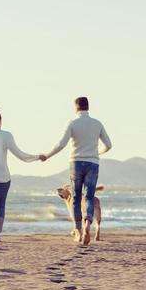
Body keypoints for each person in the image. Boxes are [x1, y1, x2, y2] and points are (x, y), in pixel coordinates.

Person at [43, 96, 112, 245]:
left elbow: (61, 144)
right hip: (92, 163)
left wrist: (47, 155)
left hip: (75, 162)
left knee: (75, 198)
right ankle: (88, 223)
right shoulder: (97, 124)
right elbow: (108, 145)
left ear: (76, 108)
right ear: (88, 107)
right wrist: (97, 152)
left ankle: (78, 231)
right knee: (89, 197)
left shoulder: (73, 123)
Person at [0, 106, 43, 243]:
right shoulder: (6, 135)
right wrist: (37, 157)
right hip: (3, 177)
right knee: (1, 205)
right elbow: (21, 155)